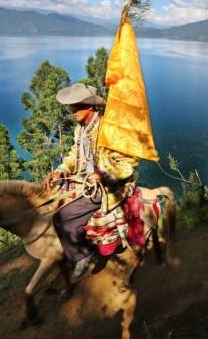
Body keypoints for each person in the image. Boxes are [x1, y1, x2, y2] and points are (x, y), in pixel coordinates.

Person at [43, 83, 138, 283]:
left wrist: (102, 174)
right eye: (71, 107)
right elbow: (73, 155)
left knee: (62, 216)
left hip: (106, 187)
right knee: (49, 205)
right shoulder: (81, 129)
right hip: (82, 180)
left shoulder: (109, 130)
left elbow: (129, 163)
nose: (72, 111)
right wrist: (60, 172)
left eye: (76, 106)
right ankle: (72, 247)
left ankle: (82, 255)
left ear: (90, 107)